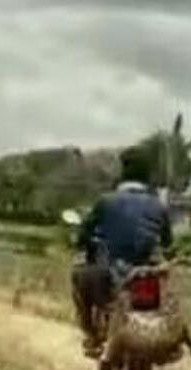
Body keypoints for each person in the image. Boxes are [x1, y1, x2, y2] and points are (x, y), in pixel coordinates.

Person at [71, 146, 173, 357]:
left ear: (123, 172)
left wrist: (81, 243)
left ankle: (91, 335)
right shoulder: (159, 206)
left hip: (111, 274)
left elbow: (84, 234)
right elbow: (168, 242)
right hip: (146, 274)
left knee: (79, 276)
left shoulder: (106, 201)